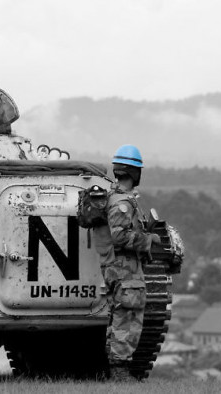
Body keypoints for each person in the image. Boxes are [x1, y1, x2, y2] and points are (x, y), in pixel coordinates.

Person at [90, 144, 162, 381]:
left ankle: (116, 369)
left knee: (121, 315)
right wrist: (148, 240)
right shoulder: (121, 202)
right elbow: (119, 236)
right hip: (123, 267)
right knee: (127, 316)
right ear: (134, 173)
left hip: (119, 267)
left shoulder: (116, 197)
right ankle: (120, 372)